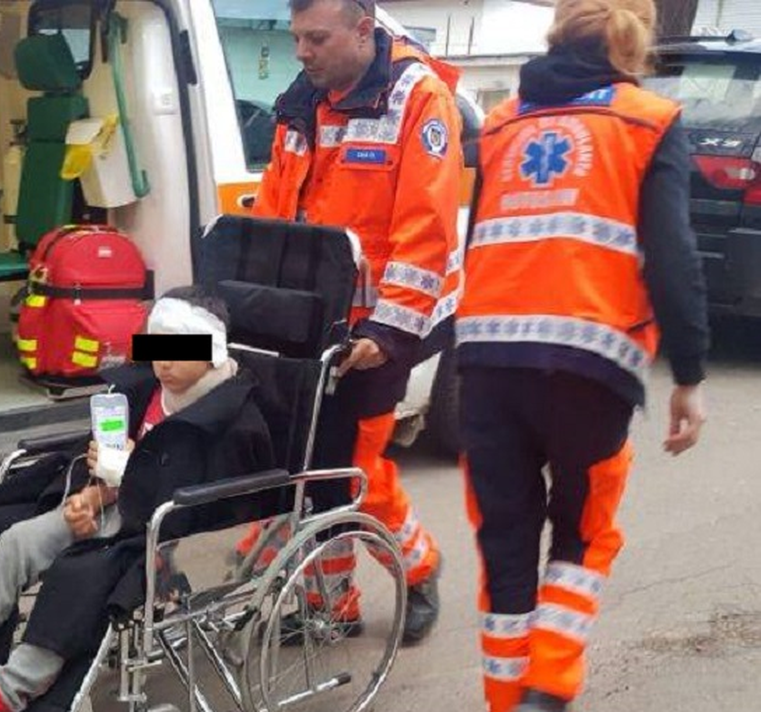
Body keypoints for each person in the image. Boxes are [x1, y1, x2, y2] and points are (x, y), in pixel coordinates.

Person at [454, 1, 710, 710]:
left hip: (489, 361)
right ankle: (549, 687)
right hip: (590, 367)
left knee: (504, 544)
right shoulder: (647, 120)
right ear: (636, 38)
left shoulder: (502, 122)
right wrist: (689, 376)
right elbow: (673, 258)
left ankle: (507, 699)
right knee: (584, 531)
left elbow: (480, 242)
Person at [0, 287, 276, 712]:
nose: (164, 363)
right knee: (17, 540)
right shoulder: (143, 392)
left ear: (212, 351)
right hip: (112, 506)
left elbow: (213, 509)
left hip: (164, 534)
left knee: (74, 580)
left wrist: (133, 473)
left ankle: (6, 696)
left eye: (179, 350)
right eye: (157, 347)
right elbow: (108, 463)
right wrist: (90, 495)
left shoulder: (235, 419)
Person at [248, 0, 459, 642]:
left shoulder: (418, 99)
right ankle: (330, 605)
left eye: (316, 38)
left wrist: (386, 332)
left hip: (389, 321)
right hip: (315, 319)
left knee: (353, 468)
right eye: (297, 39)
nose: (302, 52)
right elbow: (274, 211)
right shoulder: (301, 101)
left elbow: (426, 229)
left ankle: (419, 567)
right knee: (311, 468)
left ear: (364, 30)